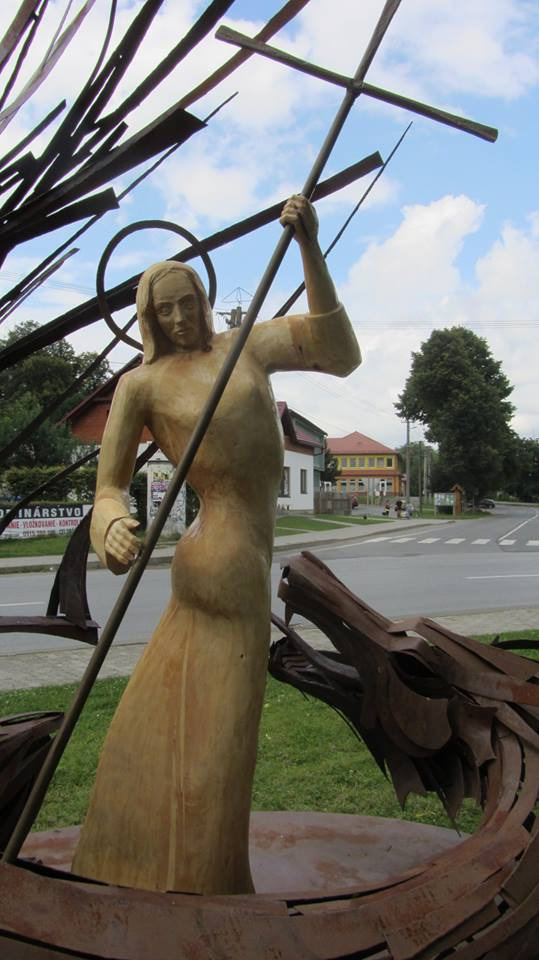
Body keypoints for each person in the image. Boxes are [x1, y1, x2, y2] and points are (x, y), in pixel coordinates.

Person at [71, 196, 361, 896]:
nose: (180, 318)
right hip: (222, 565)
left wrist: (309, 247)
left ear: (205, 296)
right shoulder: (140, 385)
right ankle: (210, 890)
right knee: (221, 750)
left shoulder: (246, 345)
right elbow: (107, 488)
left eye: (189, 302)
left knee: (184, 726)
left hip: (237, 563)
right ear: (147, 319)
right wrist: (111, 526)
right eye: (164, 310)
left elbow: (338, 352)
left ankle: (146, 862)